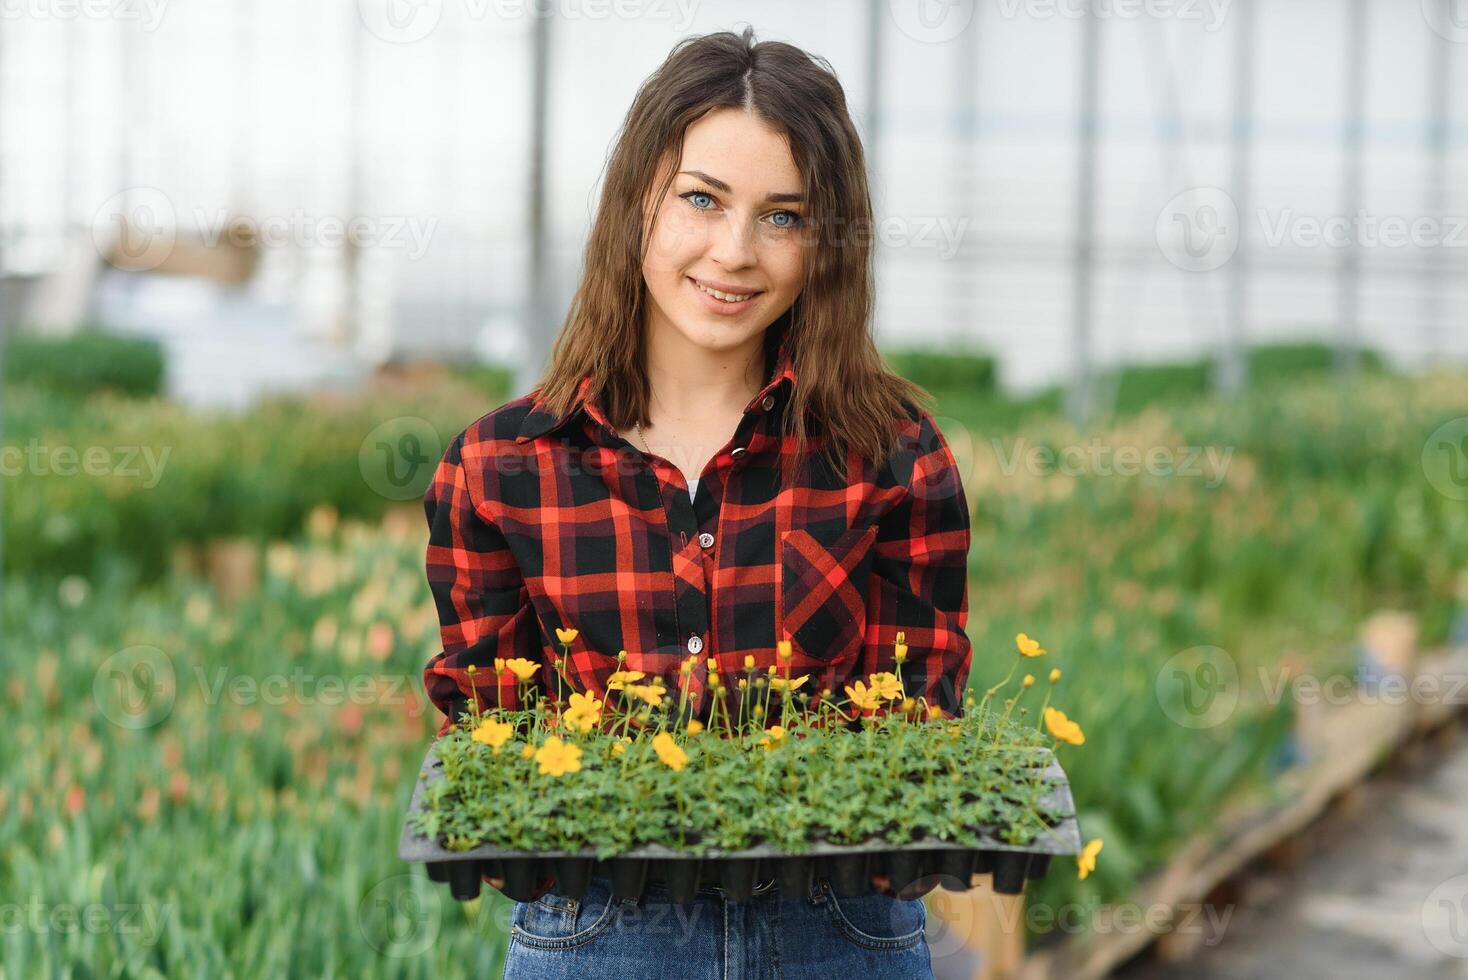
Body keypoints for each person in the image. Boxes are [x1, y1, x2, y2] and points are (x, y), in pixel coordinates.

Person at [421, 26, 972, 979]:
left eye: (783, 217)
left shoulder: (890, 458)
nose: (734, 252)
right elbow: (489, 734)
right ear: (639, 202)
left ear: (825, 245)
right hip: (598, 936)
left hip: (835, 937)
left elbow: (917, 723)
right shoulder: (503, 468)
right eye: (702, 200)